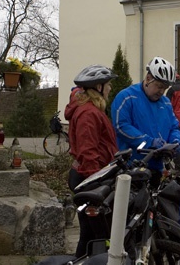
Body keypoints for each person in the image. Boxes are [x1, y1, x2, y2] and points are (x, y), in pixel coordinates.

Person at [65, 64, 119, 258]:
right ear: (98, 87)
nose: (110, 88)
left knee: (89, 234)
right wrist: (96, 185)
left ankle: (82, 261)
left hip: (89, 176)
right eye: (108, 85)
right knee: (98, 235)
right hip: (89, 177)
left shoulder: (91, 110)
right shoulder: (89, 113)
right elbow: (88, 151)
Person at [111, 56, 180, 185]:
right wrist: (149, 142)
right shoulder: (126, 97)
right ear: (148, 79)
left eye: (165, 88)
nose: (162, 91)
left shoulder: (166, 103)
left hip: (157, 168)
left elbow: (173, 127)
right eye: (159, 86)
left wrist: (175, 142)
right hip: (131, 168)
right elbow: (121, 126)